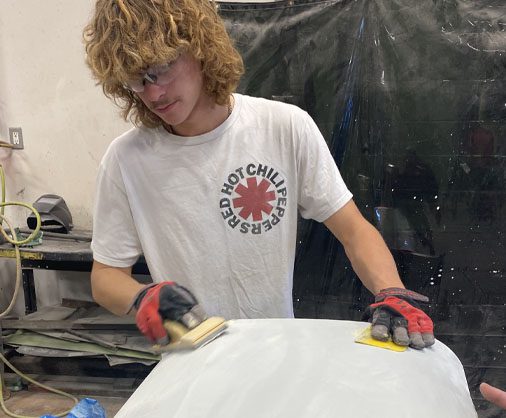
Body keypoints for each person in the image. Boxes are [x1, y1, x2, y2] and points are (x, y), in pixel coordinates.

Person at [82, 0, 434, 349]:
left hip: (277, 353)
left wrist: (390, 290)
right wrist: (143, 296)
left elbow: (354, 230)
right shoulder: (126, 161)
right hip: (192, 363)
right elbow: (105, 277)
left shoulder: (283, 128)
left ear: (200, 47)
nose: (154, 93)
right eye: (137, 81)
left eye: (162, 67)